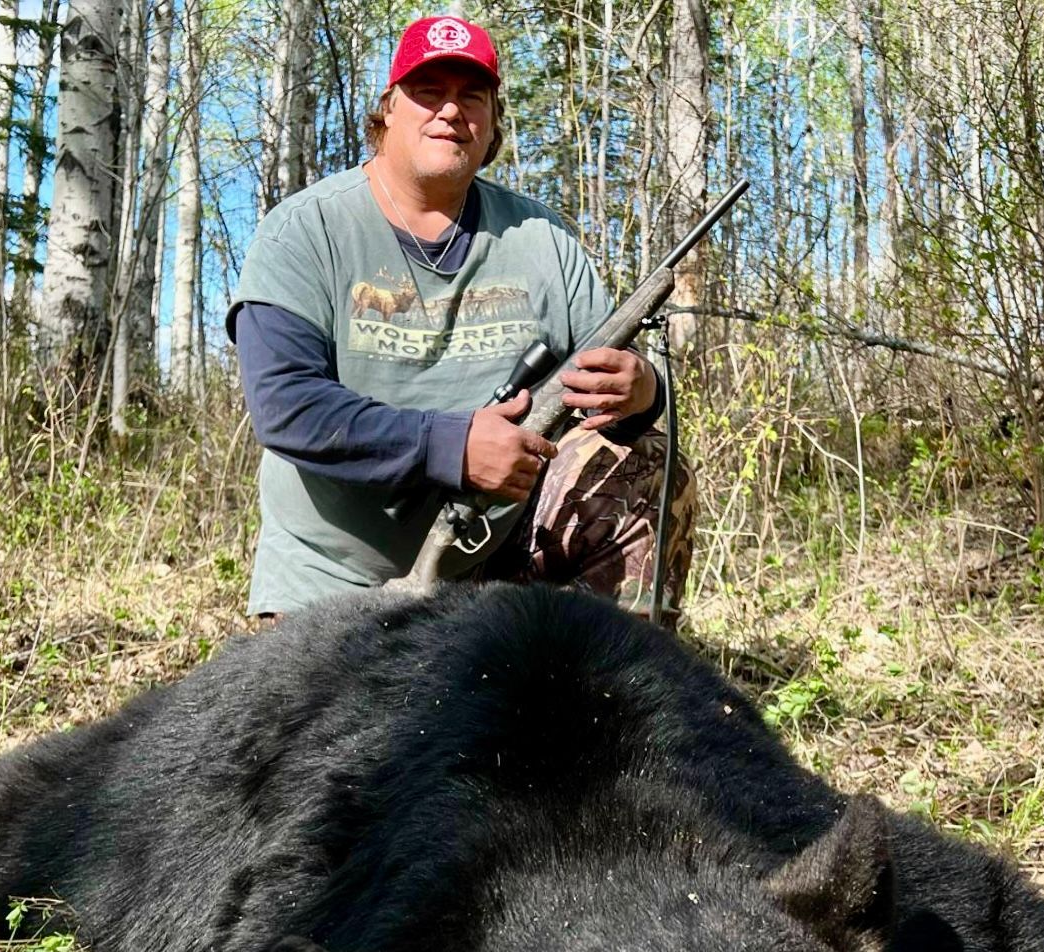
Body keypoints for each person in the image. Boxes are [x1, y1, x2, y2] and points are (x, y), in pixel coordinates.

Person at [227, 15, 695, 621]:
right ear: (387, 111)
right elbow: (286, 407)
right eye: (428, 92)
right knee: (348, 718)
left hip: (499, 561)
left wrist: (641, 388)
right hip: (331, 582)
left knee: (649, 465)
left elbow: (624, 381)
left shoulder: (542, 238)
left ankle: (610, 691)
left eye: (472, 95)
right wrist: (451, 446)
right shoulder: (303, 231)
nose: (451, 111)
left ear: (493, 121)